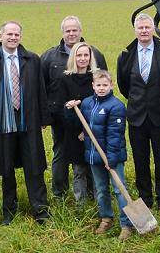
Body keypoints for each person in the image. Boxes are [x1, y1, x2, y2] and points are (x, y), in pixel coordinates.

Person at [0, 21, 50, 225]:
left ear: (21, 37)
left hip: (29, 120)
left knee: (34, 166)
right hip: (2, 123)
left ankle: (41, 211)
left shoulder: (32, 59)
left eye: (16, 34)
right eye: (9, 34)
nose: (13, 38)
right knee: (6, 168)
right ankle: (9, 211)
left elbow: (40, 90)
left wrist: (43, 118)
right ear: (0, 35)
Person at [40, 15, 106, 198]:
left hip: (89, 118)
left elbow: (104, 82)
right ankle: (59, 192)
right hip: (60, 117)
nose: (71, 34)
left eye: (74, 30)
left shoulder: (95, 54)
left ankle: (94, 192)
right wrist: (44, 115)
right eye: (67, 30)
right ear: (62, 32)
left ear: (80, 31)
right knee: (60, 153)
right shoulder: (49, 56)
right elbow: (41, 88)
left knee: (90, 154)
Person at [116, 13, 160, 210]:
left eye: (147, 27)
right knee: (140, 161)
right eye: (140, 28)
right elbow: (124, 86)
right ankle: (145, 197)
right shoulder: (125, 55)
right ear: (135, 30)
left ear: (153, 30)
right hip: (136, 118)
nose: (143, 31)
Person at [66, 70, 132, 240]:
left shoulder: (116, 106)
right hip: (94, 155)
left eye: (105, 85)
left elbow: (115, 136)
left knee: (119, 189)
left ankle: (126, 224)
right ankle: (106, 218)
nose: (101, 88)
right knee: (101, 189)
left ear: (111, 86)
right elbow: (82, 123)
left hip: (113, 156)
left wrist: (111, 159)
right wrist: (71, 109)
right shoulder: (87, 103)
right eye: (98, 85)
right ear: (93, 86)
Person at [50, 41, 99, 205]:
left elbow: (101, 107)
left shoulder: (96, 78)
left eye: (86, 55)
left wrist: (88, 131)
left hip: (93, 132)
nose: (83, 58)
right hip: (74, 134)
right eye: (79, 55)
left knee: (94, 169)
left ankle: (98, 201)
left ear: (90, 57)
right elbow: (62, 108)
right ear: (73, 57)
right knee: (79, 170)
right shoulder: (65, 79)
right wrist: (77, 128)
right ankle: (81, 205)